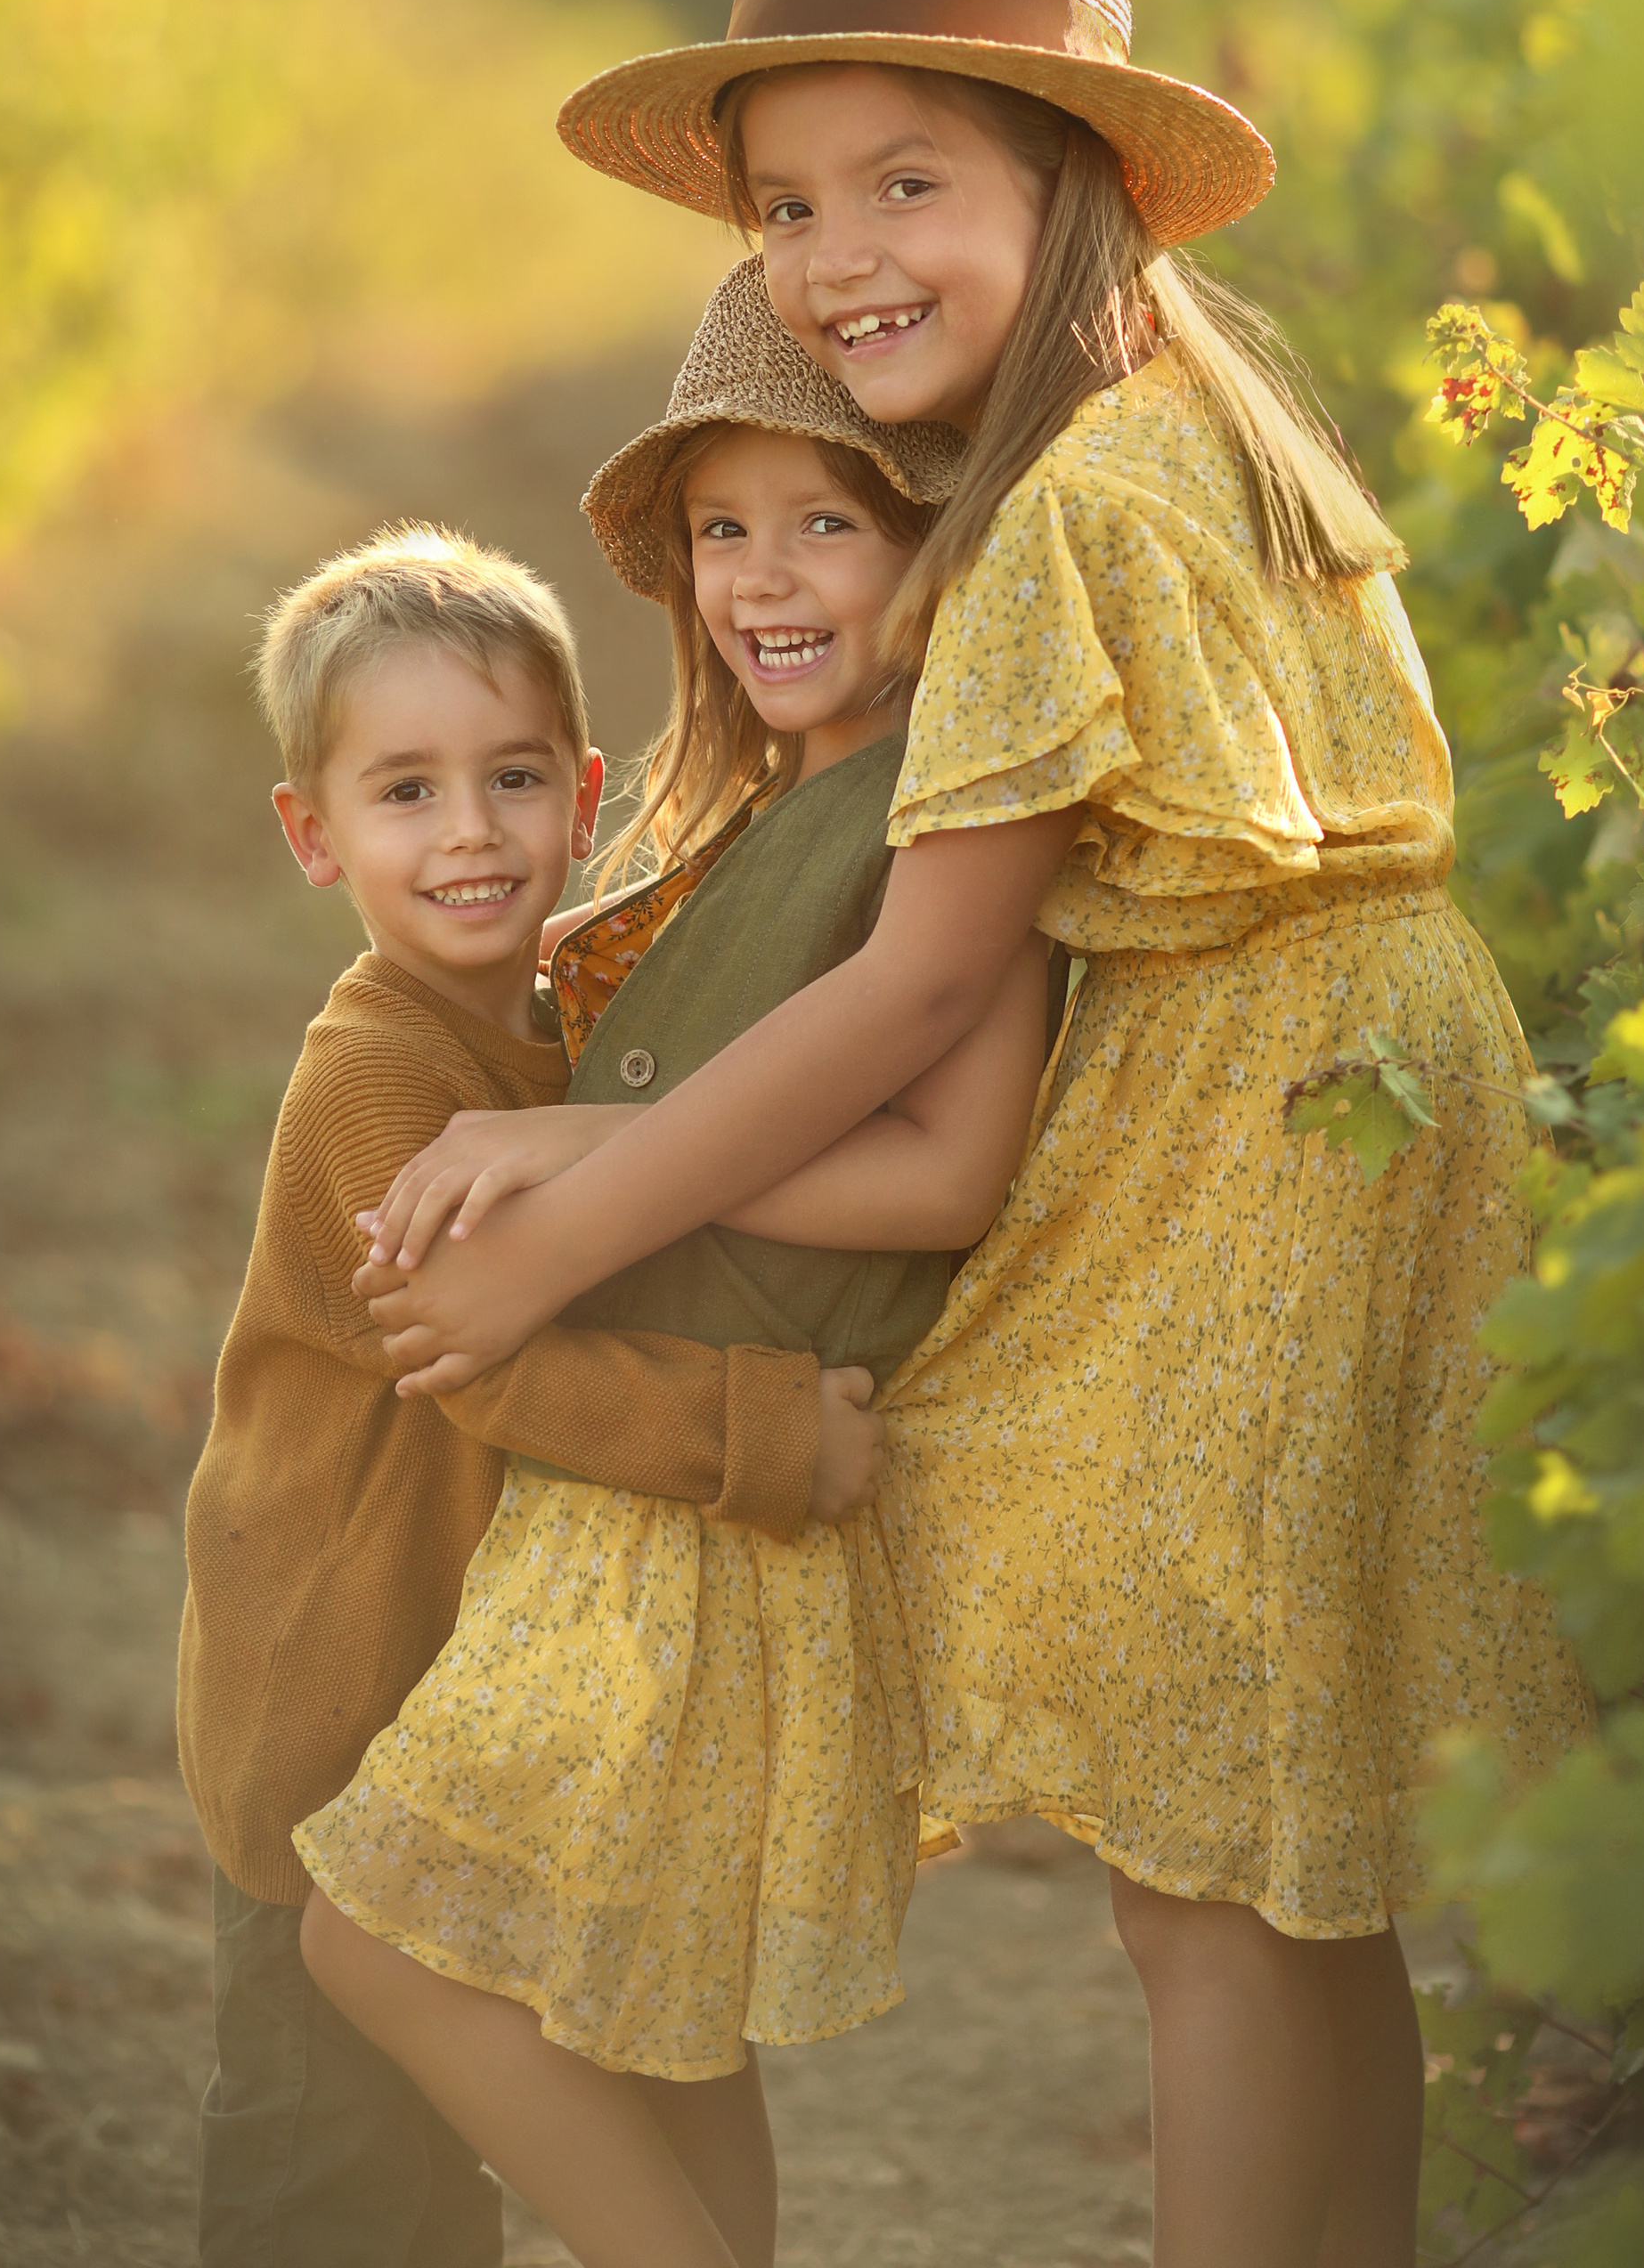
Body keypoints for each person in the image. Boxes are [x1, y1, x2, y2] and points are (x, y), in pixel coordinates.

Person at [359, 0, 1593, 2268]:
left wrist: (572, 1215)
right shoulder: (1208, 435)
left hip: (1252, 1142)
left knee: (1202, 1867)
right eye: (784, 208)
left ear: (1072, 181)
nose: (837, 260)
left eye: (904, 182)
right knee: (1290, 1840)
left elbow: (915, 996)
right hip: (1368, 1081)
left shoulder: (1059, 520)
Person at [291, 273, 1055, 2268]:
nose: (761, 577)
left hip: (687, 1527)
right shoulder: (791, 809)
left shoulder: (944, 811)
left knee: (377, 1944)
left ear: (938, 550)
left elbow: (943, 1175)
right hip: (653, 1496)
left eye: (828, 522)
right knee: (650, 2022)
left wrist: (574, 1149)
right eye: (722, 529)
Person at [180, 521, 873, 2268]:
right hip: (339, 1696)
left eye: (509, 778)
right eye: (405, 793)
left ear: (584, 793)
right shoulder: (374, 1071)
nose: (471, 832)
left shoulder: (581, 1014)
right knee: (346, 2189)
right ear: (312, 837)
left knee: (547, 2107)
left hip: (487, 1704)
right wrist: (764, 1433)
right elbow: (483, 1368)